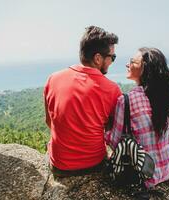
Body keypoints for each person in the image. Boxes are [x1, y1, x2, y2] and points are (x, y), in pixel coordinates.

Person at [105, 47, 169, 199]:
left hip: (146, 177)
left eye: (132, 62)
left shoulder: (126, 102)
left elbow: (115, 142)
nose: (127, 65)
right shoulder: (167, 89)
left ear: (144, 68)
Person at [44, 26, 122, 177]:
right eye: (112, 57)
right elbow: (112, 132)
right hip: (94, 165)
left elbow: (49, 122)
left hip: (59, 166)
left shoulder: (53, 79)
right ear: (98, 58)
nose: (112, 61)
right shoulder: (112, 90)